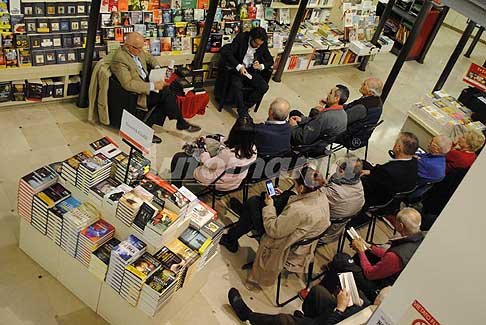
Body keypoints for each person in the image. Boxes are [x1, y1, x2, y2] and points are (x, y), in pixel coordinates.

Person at [220, 166, 330, 287]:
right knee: (284, 195)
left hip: (281, 242)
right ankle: (242, 221)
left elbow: (273, 230)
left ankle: (233, 236)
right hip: (301, 236)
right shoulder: (321, 196)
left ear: (302, 187)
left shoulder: (298, 210)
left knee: (253, 203)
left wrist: (269, 206)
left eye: (295, 183)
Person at [110, 32, 200, 143]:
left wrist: (157, 68)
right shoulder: (120, 59)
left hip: (148, 81)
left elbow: (150, 58)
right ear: (128, 46)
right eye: (138, 48)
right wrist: (152, 86)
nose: (141, 51)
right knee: (166, 93)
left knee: (171, 89)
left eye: (141, 47)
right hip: (138, 93)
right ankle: (179, 122)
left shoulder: (137, 50)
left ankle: (177, 122)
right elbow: (128, 84)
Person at [351, 208, 425, 301]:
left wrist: (361, 251)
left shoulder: (396, 256)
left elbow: (369, 274)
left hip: (381, 287)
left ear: (401, 226)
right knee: (368, 251)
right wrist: (369, 247)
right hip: (396, 278)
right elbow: (387, 255)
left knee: (343, 261)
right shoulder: (421, 241)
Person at [227, 285, 391, 325]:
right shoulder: (372, 311)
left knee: (284, 320)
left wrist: (340, 308)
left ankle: (248, 316)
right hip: (342, 315)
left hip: (336, 319)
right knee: (319, 292)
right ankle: (307, 318)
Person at [170, 117, 257, 191]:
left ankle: (174, 187)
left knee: (179, 158)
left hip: (216, 182)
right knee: (211, 145)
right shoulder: (253, 149)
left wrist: (202, 148)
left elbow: (208, 163)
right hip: (233, 183)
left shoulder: (228, 154)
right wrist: (212, 137)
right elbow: (228, 142)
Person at [219, 27, 274, 117]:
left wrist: (261, 66)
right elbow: (226, 52)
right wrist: (239, 66)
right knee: (237, 85)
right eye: (256, 43)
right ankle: (242, 111)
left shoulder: (261, 44)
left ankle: (246, 106)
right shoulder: (242, 38)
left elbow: (270, 60)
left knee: (264, 87)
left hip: (251, 70)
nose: (257, 46)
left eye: (260, 44)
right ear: (251, 38)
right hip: (238, 69)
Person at [360, 132, 419, 206]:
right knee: (363, 163)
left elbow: (371, 184)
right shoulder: (414, 162)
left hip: (374, 198)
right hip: (391, 201)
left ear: (398, 147)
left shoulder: (388, 170)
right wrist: (372, 172)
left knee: (358, 165)